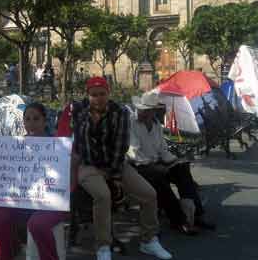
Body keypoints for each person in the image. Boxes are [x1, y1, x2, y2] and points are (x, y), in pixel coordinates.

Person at [71, 77, 172, 260]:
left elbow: (121, 145)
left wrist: (113, 173)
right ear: (88, 95)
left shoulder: (120, 113)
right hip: (89, 165)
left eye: (102, 94)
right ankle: (103, 246)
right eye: (94, 95)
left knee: (149, 194)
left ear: (108, 94)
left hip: (115, 163)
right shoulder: (80, 112)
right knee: (103, 196)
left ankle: (148, 240)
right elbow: (81, 144)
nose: (98, 98)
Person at [128, 92, 215, 234]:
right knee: (158, 176)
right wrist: (156, 164)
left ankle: (196, 214)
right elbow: (133, 153)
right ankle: (179, 220)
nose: (144, 112)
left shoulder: (156, 125)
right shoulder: (132, 123)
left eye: (148, 110)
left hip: (155, 162)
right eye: (142, 109)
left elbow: (162, 150)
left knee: (182, 169)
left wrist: (174, 161)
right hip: (138, 166)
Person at [0, 103, 69, 260]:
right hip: (23, 201)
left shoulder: (57, 144)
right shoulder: (16, 145)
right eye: (27, 119)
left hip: (52, 202)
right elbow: (8, 175)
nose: (31, 123)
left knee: (37, 224)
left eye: (36, 119)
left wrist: (71, 159)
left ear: (45, 121)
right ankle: (6, 256)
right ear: (23, 122)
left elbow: (67, 176)